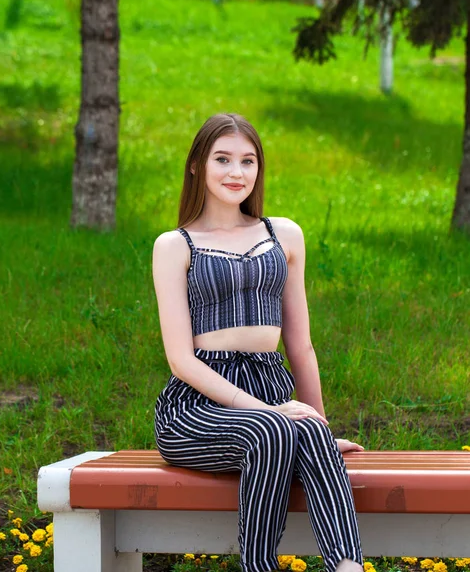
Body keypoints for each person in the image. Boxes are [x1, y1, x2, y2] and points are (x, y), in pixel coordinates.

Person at [152, 113, 364, 572]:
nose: (236, 173)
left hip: (268, 395)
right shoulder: (176, 245)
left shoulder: (283, 235)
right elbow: (180, 360)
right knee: (272, 428)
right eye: (223, 159)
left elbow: (301, 348)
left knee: (294, 429)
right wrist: (266, 411)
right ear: (197, 166)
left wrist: (319, 431)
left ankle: (347, 566)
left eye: (248, 161)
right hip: (196, 407)